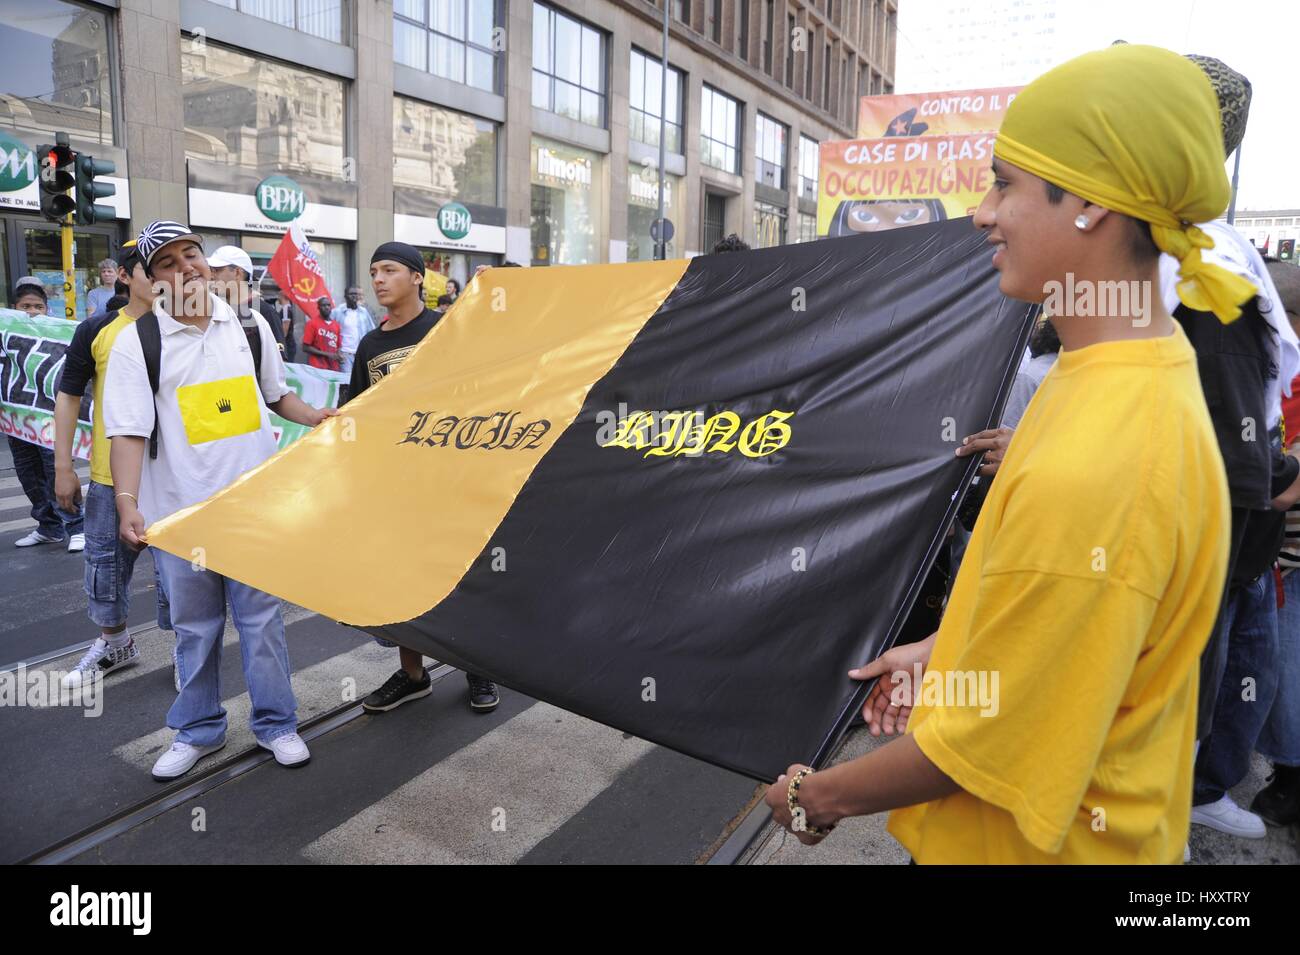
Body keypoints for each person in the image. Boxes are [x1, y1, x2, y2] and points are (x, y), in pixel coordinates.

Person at [763, 44, 1249, 864]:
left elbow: (983, 751)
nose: (983, 213)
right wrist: (945, 651)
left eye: (1006, 184)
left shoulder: (1107, 454)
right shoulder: (1117, 370)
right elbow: (1064, 634)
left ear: (1092, 205)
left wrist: (814, 795)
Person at [103, 220, 336, 780]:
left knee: (262, 625)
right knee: (195, 629)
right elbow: (129, 432)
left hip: (252, 510)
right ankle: (198, 731)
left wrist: (319, 417)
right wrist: (127, 502)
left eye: (193, 255)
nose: (187, 268)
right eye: (169, 263)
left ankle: (277, 724)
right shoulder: (140, 342)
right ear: (152, 281)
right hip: (181, 517)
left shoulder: (249, 324)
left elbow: (276, 395)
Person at [349, 241, 499, 714]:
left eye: (389, 269)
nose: (378, 279)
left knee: (458, 576)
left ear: (417, 277)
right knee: (402, 580)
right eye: (373, 271)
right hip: (395, 484)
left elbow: (480, 393)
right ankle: (413, 675)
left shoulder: (447, 329)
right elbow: (358, 409)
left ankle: (477, 666)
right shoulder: (370, 344)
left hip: (449, 478)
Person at [54, 240, 176, 687]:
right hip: (110, 476)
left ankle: (187, 649)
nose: (166, 278)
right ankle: (115, 642)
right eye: (154, 268)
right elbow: (68, 396)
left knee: (178, 572)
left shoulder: (186, 326)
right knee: (104, 566)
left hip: (174, 479)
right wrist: (64, 467)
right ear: (125, 277)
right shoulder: (97, 330)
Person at [1255, 257, 1300, 828]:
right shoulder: (1274, 373)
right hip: (1275, 554)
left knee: (1283, 661)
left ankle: (1291, 775)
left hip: (1284, 560)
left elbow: (1287, 491)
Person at [7, 277, 85, 552]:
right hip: (16, 417)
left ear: (46, 309)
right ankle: (48, 526)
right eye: (26, 306)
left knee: (55, 470)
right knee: (27, 472)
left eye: (38, 306)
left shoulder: (57, 335)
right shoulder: (6, 336)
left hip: (50, 417)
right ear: (14, 308)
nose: (32, 311)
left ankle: (77, 525)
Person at [208, 245, 286, 357]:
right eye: (210, 270)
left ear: (237, 273)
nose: (211, 276)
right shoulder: (218, 310)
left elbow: (278, 363)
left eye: (217, 270)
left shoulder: (265, 312)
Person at [330, 285, 375, 378]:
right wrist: (336, 352)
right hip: (345, 354)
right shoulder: (337, 312)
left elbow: (371, 331)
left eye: (356, 294)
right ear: (345, 296)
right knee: (347, 380)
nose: (354, 296)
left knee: (360, 379)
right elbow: (328, 330)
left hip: (360, 353)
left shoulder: (364, 312)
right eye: (351, 294)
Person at [301, 296, 341, 371]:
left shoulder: (336, 325)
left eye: (328, 305)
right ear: (318, 307)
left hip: (333, 367)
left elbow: (337, 347)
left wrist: (339, 357)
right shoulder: (312, 323)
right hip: (317, 367)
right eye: (323, 305)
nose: (326, 307)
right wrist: (327, 354)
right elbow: (305, 347)